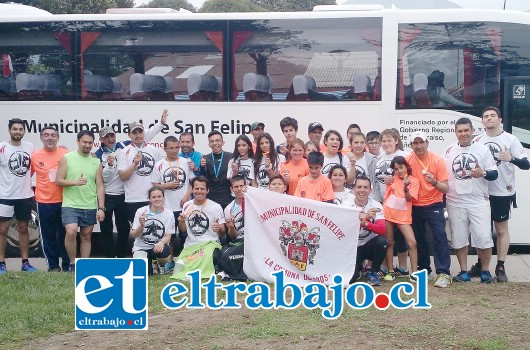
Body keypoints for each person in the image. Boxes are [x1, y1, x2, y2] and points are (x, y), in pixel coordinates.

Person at [96, 111, 166, 258]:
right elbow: (105, 178)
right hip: (109, 196)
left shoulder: (122, 146)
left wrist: (160, 124)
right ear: (101, 139)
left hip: (123, 196)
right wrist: (109, 165)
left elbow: (144, 136)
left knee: (124, 229)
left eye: (112, 136)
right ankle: (110, 258)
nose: (110, 139)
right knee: (106, 229)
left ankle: (122, 257)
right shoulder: (98, 155)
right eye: (106, 137)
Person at [472, 106, 530, 282]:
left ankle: (501, 265)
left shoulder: (510, 139)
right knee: (482, 231)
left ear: (500, 120)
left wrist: (510, 158)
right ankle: (481, 264)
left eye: (492, 116)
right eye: (486, 116)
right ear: (482, 121)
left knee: (501, 229)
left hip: (503, 191)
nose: (489, 118)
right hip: (481, 192)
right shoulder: (478, 141)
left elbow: (526, 164)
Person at [443, 117, 498, 283]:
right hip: (455, 202)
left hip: (478, 202)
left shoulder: (482, 150)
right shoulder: (449, 151)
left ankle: (485, 271)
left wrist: (483, 173)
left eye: (466, 130)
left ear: (472, 130)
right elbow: (442, 175)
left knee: (483, 238)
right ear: (455, 132)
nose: (463, 134)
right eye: (460, 131)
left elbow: (494, 174)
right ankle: (464, 271)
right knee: (459, 239)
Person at [406, 131, 452, 288]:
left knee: (439, 236)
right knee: (420, 239)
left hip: (434, 203)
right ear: (411, 145)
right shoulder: (407, 160)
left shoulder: (437, 160)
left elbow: (445, 187)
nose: (418, 146)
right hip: (414, 205)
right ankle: (423, 269)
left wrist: (434, 183)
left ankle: (444, 273)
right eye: (415, 143)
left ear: (427, 143)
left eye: (421, 142)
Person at [56, 130, 105, 272]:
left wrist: (101, 208)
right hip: (70, 204)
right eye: (84, 142)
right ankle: (72, 264)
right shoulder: (67, 158)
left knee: (86, 236)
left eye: (90, 143)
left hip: (89, 204)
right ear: (78, 142)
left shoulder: (96, 161)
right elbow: (58, 180)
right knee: (71, 232)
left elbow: (100, 185)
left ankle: (84, 266)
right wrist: (74, 182)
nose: (87, 145)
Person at [151, 136, 194, 273]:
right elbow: (155, 187)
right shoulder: (159, 165)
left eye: (177, 147)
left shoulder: (186, 162)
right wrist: (166, 185)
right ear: (165, 149)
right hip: (167, 207)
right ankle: (169, 262)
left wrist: (187, 197)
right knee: (169, 236)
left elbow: (193, 183)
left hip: (184, 206)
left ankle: (185, 260)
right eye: (171, 148)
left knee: (185, 235)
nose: (175, 150)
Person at [0, 118, 37, 274]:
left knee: (23, 229)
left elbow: (35, 167)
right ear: (9, 130)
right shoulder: (2, 147)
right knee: (3, 230)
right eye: (14, 129)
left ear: (24, 131)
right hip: (5, 195)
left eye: (20, 129)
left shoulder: (30, 147)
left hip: (24, 195)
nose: (17, 132)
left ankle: (25, 263)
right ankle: (1, 264)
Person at [30, 126, 70, 272]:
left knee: (66, 235)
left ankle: (67, 265)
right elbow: (26, 176)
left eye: (53, 135)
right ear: (41, 138)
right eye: (46, 135)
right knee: (48, 236)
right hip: (44, 202)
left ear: (58, 138)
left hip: (65, 201)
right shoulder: (35, 156)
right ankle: (53, 266)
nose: (50, 138)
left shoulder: (66, 154)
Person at [172, 176, 225, 280]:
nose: (199, 191)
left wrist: (219, 228)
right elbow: (183, 231)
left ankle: (199, 270)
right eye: (196, 188)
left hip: (210, 244)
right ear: (192, 189)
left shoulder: (216, 207)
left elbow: (222, 233)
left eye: (202, 189)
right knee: (179, 264)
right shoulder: (187, 205)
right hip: (191, 245)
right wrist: (181, 222)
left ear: (207, 190)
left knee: (213, 257)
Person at [117, 121, 164, 226]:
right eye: (134, 133)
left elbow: (161, 174)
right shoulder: (124, 152)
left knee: (155, 227)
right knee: (137, 231)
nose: (138, 135)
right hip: (134, 199)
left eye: (140, 132)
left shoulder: (154, 150)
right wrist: (135, 164)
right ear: (129, 134)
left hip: (153, 198)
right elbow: (123, 177)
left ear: (144, 133)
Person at [383, 156, 419, 282]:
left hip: (403, 217)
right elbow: (387, 197)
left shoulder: (414, 181)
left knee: (412, 242)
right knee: (389, 242)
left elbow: (409, 199)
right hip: (389, 213)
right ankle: (391, 271)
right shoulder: (392, 180)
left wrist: (405, 188)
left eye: (401, 167)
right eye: (396, 169)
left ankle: (414, 273)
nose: (400, 171)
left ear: (406, 166)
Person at [348, 176, 387, 286]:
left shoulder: (376, 205)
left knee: (382, 241)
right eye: (359, 187)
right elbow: (345, 230)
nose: (362, 190)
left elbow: (382, 230)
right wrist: (366, 218)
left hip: (368, 245)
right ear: (353, 189)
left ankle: (373, 272)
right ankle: (358, 269)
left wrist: (366, 223)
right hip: (352, 247)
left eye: (365, 187)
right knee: (351, 279)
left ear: (370, 190)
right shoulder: (346, 204)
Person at [131, 186, 174, 276]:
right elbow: (134, 235)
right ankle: (150, 265)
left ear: (163, 197)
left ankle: (159, 263)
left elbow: (168, 236)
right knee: (144, 274)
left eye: (159, 196)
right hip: (141, 247)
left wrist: (161, 242)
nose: (157, 199)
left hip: (157, 247)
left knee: (165, 251)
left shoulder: (169, 213)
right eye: (154, 197)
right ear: (149, 199)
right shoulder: (141, 211)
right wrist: (141, 226)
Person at [218, 175, 247, 281]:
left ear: (246, 186)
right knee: (225, 255)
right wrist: (230, 227)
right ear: (231, 189)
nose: (239, 189)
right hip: (238, 241)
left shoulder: (254, 203)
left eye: (241, 186)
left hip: (253, 240)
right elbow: (233, 236)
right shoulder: (228, 209)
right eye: (236, 187)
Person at [199, 131, 233, 209]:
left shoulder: (231, 156)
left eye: (217, 140)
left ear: (223, 142)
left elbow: (234, 178)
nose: (215, 143)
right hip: (211, 200)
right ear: (209, 144)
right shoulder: (205, 158)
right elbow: (203, 179)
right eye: (212, 141)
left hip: (228, 199)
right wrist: (202, 167)